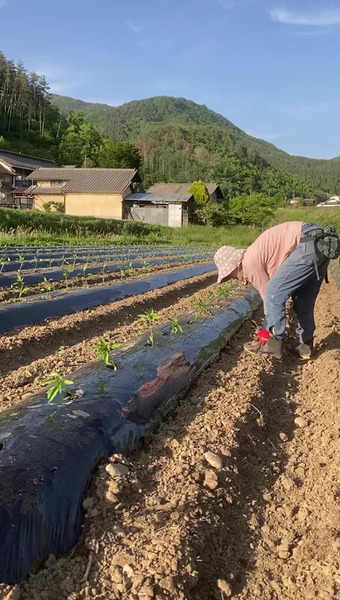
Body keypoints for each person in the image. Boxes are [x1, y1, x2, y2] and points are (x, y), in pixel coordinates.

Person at [214, 221, 339, 360]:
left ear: (234, 266)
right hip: (320, 243)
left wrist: (265, 335)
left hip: (308, 243)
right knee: (303, 302)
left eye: (230, 275)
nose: (233, 279)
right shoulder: (257, 254)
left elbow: (271, 298)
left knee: (272, 292)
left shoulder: (248, 263)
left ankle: (273, 345)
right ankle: (306, 347)